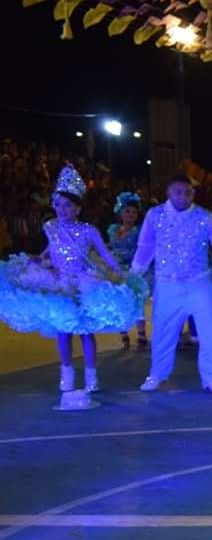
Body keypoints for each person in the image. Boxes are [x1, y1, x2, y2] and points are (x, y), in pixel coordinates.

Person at [0, 165, 146, 392]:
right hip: (59, 281)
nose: (62, 209)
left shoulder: (89, 230)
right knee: (63, 331)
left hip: (84, 282)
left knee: (85, 332)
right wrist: (40, 257)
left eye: (68, 205)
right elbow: (52, 247)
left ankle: (91, 377)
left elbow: (105, 253)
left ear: (78, 208)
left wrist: (120, 272)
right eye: (58, 204)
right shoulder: (50, 226)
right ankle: (66, 376)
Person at [132, 174, 212, 394]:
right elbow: (145, 246)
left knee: (210, 331)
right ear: (169, 193)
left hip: (199, 283)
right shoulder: (155, 215)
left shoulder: (205, 217)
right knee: (163, 331)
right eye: (178, 192)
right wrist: (135, 273)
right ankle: (157, 374)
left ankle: (211, 377)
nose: (183, 197)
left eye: (188, 192)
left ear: (193, 193)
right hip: (167, 284)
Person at [107, 191, 148, 350]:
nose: (131, 215)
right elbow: (110, 246)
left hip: (133, 270)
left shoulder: (139, 231)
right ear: (120, 212)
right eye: (127, 211)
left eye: (134, 212)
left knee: (137, 301)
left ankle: (141, 335)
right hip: (117, 270)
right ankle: (123, 334)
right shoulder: (113, 229)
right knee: (120, 302)